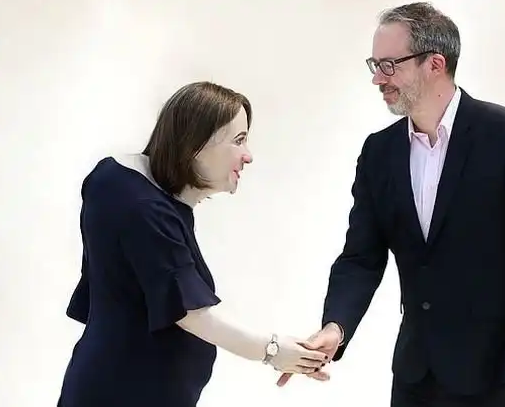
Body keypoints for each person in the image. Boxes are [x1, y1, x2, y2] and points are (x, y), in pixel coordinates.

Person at [278, 2, 505, 407]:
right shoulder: (379, 152)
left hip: (501, 380)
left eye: (389, 65)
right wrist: (336, 327)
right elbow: (361, 258)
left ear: (435, 63)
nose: (377, 78)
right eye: (375, 65)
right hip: (415, 379)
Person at [56, 81, 328, 407]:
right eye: (239, 140)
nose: (248, 156)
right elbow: (191, 314)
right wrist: (273, 350)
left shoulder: (118, 182)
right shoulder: (145, 209)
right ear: (196, 143)